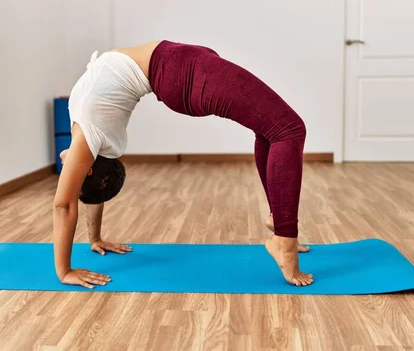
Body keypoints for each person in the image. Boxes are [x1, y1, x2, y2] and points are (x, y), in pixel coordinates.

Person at [53, 40, 314, 289]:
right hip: (182, 72)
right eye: (72, 173)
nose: (67, 172)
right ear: (87, 167)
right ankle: (284, 241)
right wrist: (64, 271)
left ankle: (277, 219)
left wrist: (95, 239)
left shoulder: (86, 136)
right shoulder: (88, 139)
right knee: (289, 130)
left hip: (179, 63)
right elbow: (64, 205)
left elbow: (89, 188)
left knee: (269, 128)